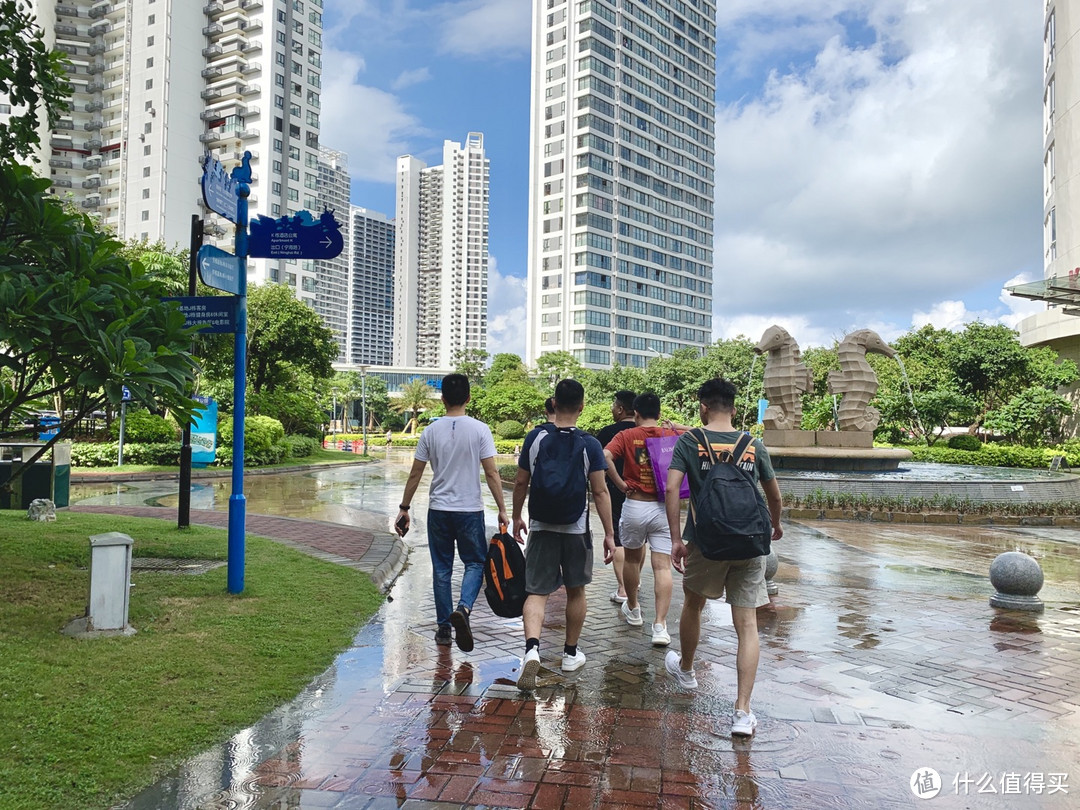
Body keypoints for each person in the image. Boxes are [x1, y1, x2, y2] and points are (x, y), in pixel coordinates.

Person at [664, 378, 783, 737]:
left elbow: (672, 489)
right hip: (749, 543)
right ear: (733, 407)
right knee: (746, 625)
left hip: (706, 542)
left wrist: (675, 540)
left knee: (693, 605)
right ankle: (743, 713)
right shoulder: (752, 444)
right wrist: (774, 527)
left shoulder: (690, 441)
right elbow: (773, 495)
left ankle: (686, 670)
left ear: (703, 406)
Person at [512, 378, 615, 689]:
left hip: (541, 525)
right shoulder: (590, 444)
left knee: (537, 592)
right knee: (576, 590)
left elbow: (519, 482)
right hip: (576, 528)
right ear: (581, 407)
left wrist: (517, 516)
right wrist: (610, 534)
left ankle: (532, 650)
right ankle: (570, 653)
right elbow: (600, 492)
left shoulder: (535, 437)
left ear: (554, 404)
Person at [396, 374, 509, 652]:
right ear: (469, 398)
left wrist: (404, 508)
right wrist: (503, 510)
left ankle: (444, 628)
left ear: (442, 399)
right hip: (469, 510)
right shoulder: (480, 430)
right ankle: (464, 609)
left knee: (442, 568)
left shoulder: (430, 432)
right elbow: (492, 472)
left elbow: (415, 474)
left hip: (439, 511)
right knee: (474, 563)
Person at [603, 392, 684, 646]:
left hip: (635, 504)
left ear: (635, 413)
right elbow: (700, 434)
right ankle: (660, 625)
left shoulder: (626, 435)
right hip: (664, 508)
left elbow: (604, 456)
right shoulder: (670, 435)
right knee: (662, 567)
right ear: (659, 414)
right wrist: (676, 426)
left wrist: (619, 483)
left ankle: (634, 608)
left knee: (632, 559)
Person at [595, 390, 640, 605]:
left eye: (614, 405)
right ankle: (635, 581)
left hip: (615, 493)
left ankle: (623, 589)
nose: (612, 409)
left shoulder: (608, 433)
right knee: (639, 541)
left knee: (619, 541)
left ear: (621, 409)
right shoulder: (645, 430)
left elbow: (598, 467)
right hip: (642, 495)